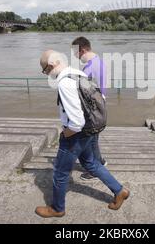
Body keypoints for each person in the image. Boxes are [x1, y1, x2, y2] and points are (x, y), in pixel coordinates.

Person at [35, 50, 130, 218]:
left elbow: (76, 122)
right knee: (92, 163)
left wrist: (65, 134)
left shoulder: (65, 83)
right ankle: (119, 190)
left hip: (76, 134)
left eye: (45, 70)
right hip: (91, 128)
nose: (47, 74)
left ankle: (57, 208)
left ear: (51, 65)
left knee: (60, 172)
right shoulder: (78, 73)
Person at [71, 37, 107, 181]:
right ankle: (101, 162)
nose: (76, 56)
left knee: (90, 140)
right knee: (94, 138)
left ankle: (95, 170)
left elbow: (84, 94)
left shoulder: (88, 68)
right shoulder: (99, 60)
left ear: (83, 50)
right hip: (100, 105)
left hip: (93, 109)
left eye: (77, 53)